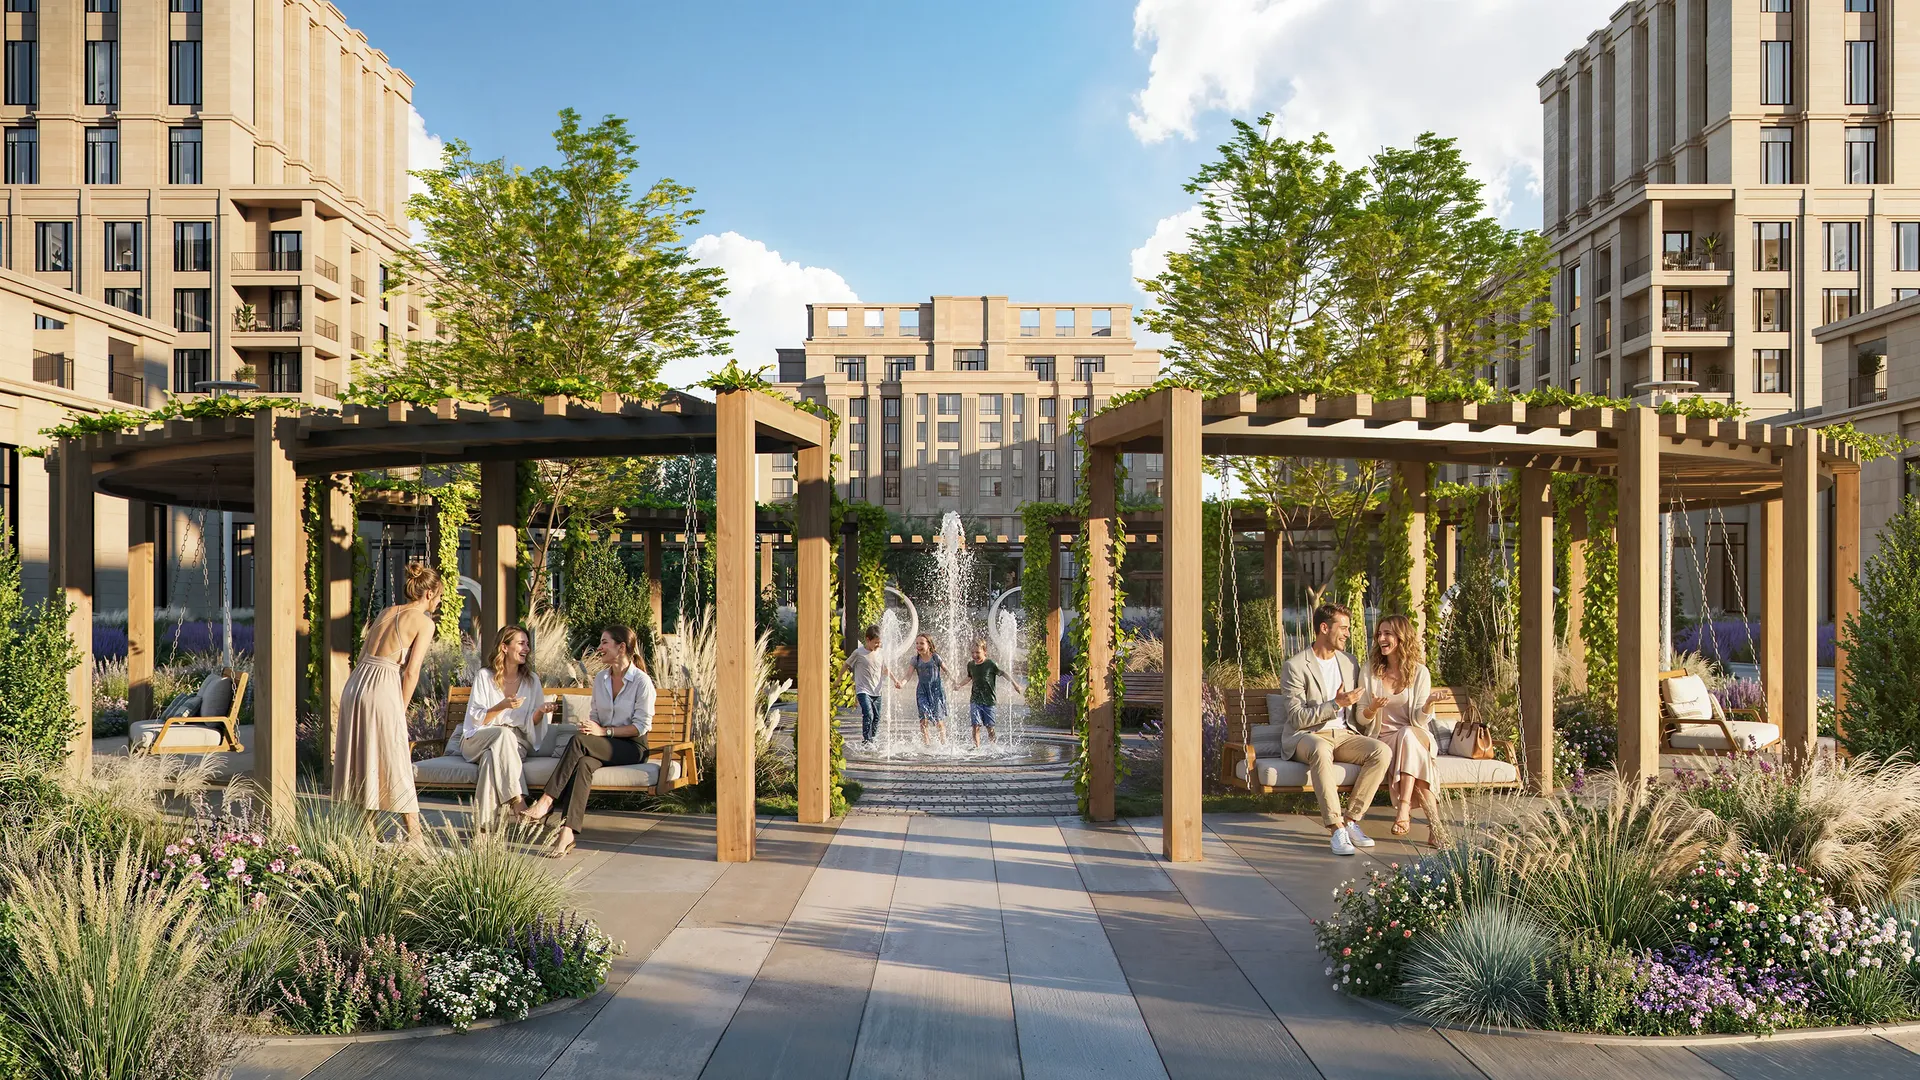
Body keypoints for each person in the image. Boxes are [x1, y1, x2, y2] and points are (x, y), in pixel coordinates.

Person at [519, 625, 654, 858]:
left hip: (632, 746)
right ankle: (566, 833)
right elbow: (595, 716)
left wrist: (603, 732)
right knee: (583, 764)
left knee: (580, 742)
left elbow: (640, 726)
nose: (599, 648)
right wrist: (591, 727)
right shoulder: (601, 679)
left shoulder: (642, 682)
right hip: (605, 744)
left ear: (621, 647)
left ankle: (546, 801)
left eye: (604, 643)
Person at [333, 562, 442, 843]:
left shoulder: (387, 611)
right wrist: (401, 709)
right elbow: (412, 671)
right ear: (429, 593)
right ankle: (415, 837)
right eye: (440, 595)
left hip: (356, 683)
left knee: (362, 757)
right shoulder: (424, 622)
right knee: (397, 759)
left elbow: (363, 654)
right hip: (382, 684)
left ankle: (371, 835)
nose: (440, 601)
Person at [1280, 602, 1391, 857]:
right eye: (1343, 628)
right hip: (1308, 736)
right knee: (1320, 749)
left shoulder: (1349, 662)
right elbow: (1296, 718)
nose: (1347, 633)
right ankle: (1335, 827)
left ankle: (1352, 820)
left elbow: (1358, 713)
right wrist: (1335, 704)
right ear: (1323, 628)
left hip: (1343, 734)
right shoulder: (1296, 666)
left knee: (1381, 751)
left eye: (1348, 628)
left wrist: (1370, 708)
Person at [1358, 613, 1450, 838]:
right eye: (1379, 634)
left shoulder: (1420, 673)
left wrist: (1429, 703)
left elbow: (1418, 722)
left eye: (1388, 633)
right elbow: (1361, 719)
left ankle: (1403, 810)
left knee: (1408, 734)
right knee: (1418, 759)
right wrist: (1372, 708)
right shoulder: (1370, 671)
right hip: (1384, 738)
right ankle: (1435, 828)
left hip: (1417, 734)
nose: (1381, 638)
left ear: (1402, 637)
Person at [461, 624, 559, 828]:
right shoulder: (484, 677)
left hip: (515, 743)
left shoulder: (531, 681)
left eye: (527, 644)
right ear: (504, 647)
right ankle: (518, 802)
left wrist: (540, 712)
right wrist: (501, 706)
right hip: (478, 739)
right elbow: (476, 720)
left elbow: (529, 726)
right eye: (521, 643)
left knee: (490, 760)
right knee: (502, 735)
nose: (527, 649)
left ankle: (484, 831)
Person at [956, 639, 1023, 746]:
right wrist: (959, 685)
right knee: (975, 725)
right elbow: (969, 677)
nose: (974, 655)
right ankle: (977, 748)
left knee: (989, 727)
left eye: (977, 652)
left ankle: (993, 747)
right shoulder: (970, 665)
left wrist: (1015, 685)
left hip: (989, 701)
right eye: (972, 653)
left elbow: (1003, 673)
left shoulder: (990, 664)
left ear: (984, 651)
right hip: (975, 699)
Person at [894, 633, 948, 744]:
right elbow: (908, 675)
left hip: (936, 691)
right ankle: (926, 743)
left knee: (939, 719)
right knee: (923, 719)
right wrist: (902, 683)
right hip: (922, 692)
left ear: (929, 644)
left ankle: (943, 743)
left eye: (921, 643)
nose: (918, 646)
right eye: (917, 643)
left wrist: (954, 681)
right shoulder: (915, 659)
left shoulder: (935, 657)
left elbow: (946, 669)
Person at [850, 626, 885, 744]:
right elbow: (846, 665)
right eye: (876, 643)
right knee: (868, 714)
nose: (878, 645)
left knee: (876, 717)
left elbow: (885, 669)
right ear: (868, 639)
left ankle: (872, 740)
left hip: (877, 691)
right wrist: (838, 680)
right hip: (863, 690)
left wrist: (896, 680)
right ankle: (866, 740)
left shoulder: (880, 652)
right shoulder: (859, 652)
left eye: (879, 643)